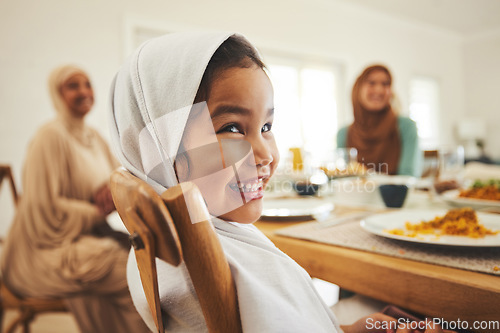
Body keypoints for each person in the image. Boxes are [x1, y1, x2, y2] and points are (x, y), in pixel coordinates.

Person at [109, 32, 444, 332]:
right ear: (159, 146)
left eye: (266, 127)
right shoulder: (210, 264)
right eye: (233, 128)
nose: (266, 153)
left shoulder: (168, 239)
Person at [0, 65, 149, 333]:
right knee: (129, 271)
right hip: (43, 250)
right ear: (57, 94)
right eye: (73, 86)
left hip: (86, 236)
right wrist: (97, 210)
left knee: (142, 254)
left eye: (87, 84)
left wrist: (112, 189)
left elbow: (119, 178)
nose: (83, 92)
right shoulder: (50, 137)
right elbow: (44, 208)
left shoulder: (94, 138)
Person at [337, 65, 421, 177]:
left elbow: (408, 176)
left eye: (385, 84)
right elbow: (342, 178)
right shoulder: (344, 134)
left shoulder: (406, 127)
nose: (379, 90)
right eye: (371, 83)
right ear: (358, 89)